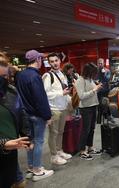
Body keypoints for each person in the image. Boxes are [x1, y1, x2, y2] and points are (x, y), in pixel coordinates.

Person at [16, 49, 54, 181]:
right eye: (40, 59)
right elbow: (40, 99)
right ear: (37, 60)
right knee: (38, 141)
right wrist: (47, 116)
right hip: (37, 115)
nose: (41, 62)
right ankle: (37, 169)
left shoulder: (20, 75)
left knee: (31, 141)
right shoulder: (35, 76)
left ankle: (31, 167)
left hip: (25, 114)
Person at [0, 51, 31, 188]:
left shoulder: (11, 90)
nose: (3, 80)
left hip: (10, 152)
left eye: (5, 76)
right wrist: (2, 144)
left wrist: (27, 137)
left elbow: (21, 112)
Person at [42, 53, 72, 165]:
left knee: (60, 132)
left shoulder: (61, 74)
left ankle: (59, 151)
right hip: (53, 109)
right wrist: (61, 93)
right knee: (53, 133)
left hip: (63, 107)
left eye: (56, 60)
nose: (55, 63)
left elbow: (65, 90)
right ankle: (53, 156)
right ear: (49, 63)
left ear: (60, 61)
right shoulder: (47, 76)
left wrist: (69, 100)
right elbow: (45, 93)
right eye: (52, 61)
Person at [75, 63, 103, 160]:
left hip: (93, 106)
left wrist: (97, 88)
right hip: (85, 108)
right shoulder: (80, 80)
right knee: (85, 130)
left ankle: (90, 147)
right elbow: (81, 96)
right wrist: (95, 90)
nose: (95, 74)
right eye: (94, 72)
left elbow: (92, 92)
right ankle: (82, 150)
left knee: (92, 128)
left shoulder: (90, 79)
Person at [96, 58, 112, 122]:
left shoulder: (107, 70)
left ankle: (107, 116)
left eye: (101, 63)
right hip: (98, 90)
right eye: (99, 63)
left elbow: (107, 79)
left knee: (106, 103)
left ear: (103, 63)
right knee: (99, 104)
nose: (100, 64)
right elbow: (93, 79)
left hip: (106, 90)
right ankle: (99, 118)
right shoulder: (95, 71)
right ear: (97, 64)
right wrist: (96, 82)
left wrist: (103, 73)